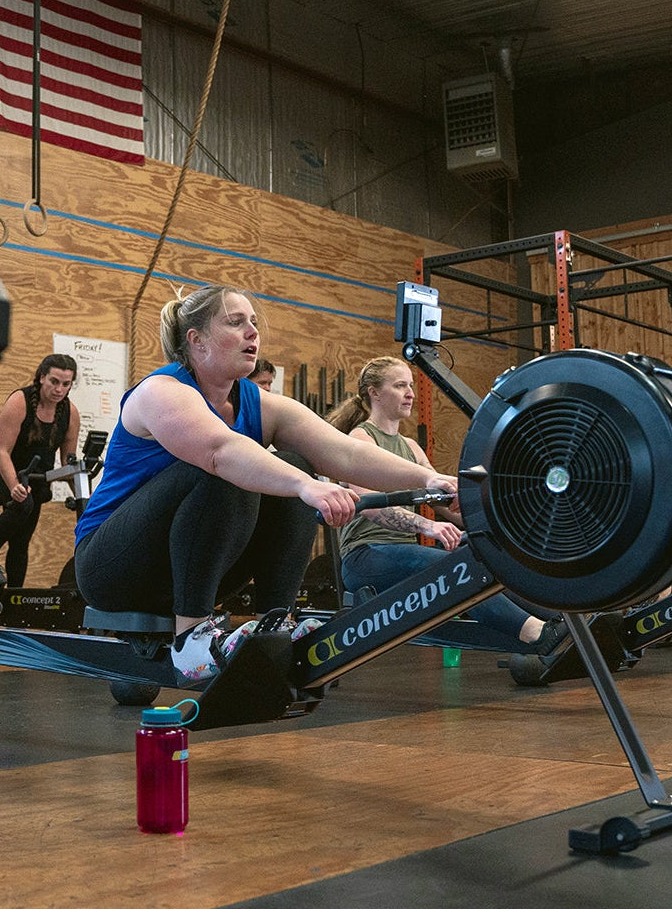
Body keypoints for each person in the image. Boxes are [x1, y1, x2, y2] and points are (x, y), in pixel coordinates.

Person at [73, 286, 458, 686]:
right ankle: (192, 640)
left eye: (254, 322)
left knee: (293, 463)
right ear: (197, 341)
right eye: (236, 323)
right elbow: (220, 451)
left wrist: (429, 478)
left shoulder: (258, 403)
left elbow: (344, 453)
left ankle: (275, 622)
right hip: (112, 569)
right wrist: (306, 486)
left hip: (189, 569)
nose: (252, 332)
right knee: (235, 468)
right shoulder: (160, 392)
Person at [325, 355, 567, 656]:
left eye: (411, 385)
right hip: (366, 557)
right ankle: (536, 633)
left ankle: (561, 621)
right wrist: (427, 525)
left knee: (488, 552)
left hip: (402, 554)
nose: (410, 393)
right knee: (457, 566)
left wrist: (503, 521)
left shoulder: (411, 447)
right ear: (374, 393)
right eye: (400, 386)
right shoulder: (360, 437)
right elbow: (372, 508)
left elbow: (449, 504)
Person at [0, 354, 81, 586]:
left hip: (34, 475)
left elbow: (67, 464)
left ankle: (13, 602)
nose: (59, 389)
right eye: (54, 381)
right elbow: (1, 451)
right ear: (42, 377)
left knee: (21, 542)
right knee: (24, 504)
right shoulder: (19, 401)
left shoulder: (70, 414)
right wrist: (14, 486)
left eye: (66, 384)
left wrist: (84, 497)